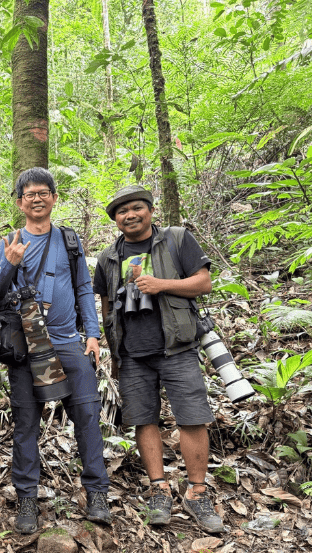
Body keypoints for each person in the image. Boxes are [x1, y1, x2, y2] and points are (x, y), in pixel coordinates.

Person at [93, 185, 224, 533]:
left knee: (192, 417)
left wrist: (161, 284)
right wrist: (115, 354)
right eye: (122, 212)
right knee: (143, 419)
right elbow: (106, 306)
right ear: (115, 220)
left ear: (150, 210)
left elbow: (204, 282)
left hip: (177, 346)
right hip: (133, 353)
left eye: (137, 208)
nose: (130, 215)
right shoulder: (108, 256)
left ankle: (197, 492)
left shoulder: (177, 239)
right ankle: (159, 489)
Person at [0, 167, 111, 534]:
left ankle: (97, 494)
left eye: (44, 193)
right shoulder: (9, 240)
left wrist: (92, 333)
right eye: (30, 194)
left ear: (54, 198)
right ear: (20, 202)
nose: (37, 198)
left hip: (68, 341)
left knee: (87, 417)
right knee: (26, 422)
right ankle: (27, 498)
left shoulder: (69, 241)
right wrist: (9, 263)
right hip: (27, 345)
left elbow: (84, 288)